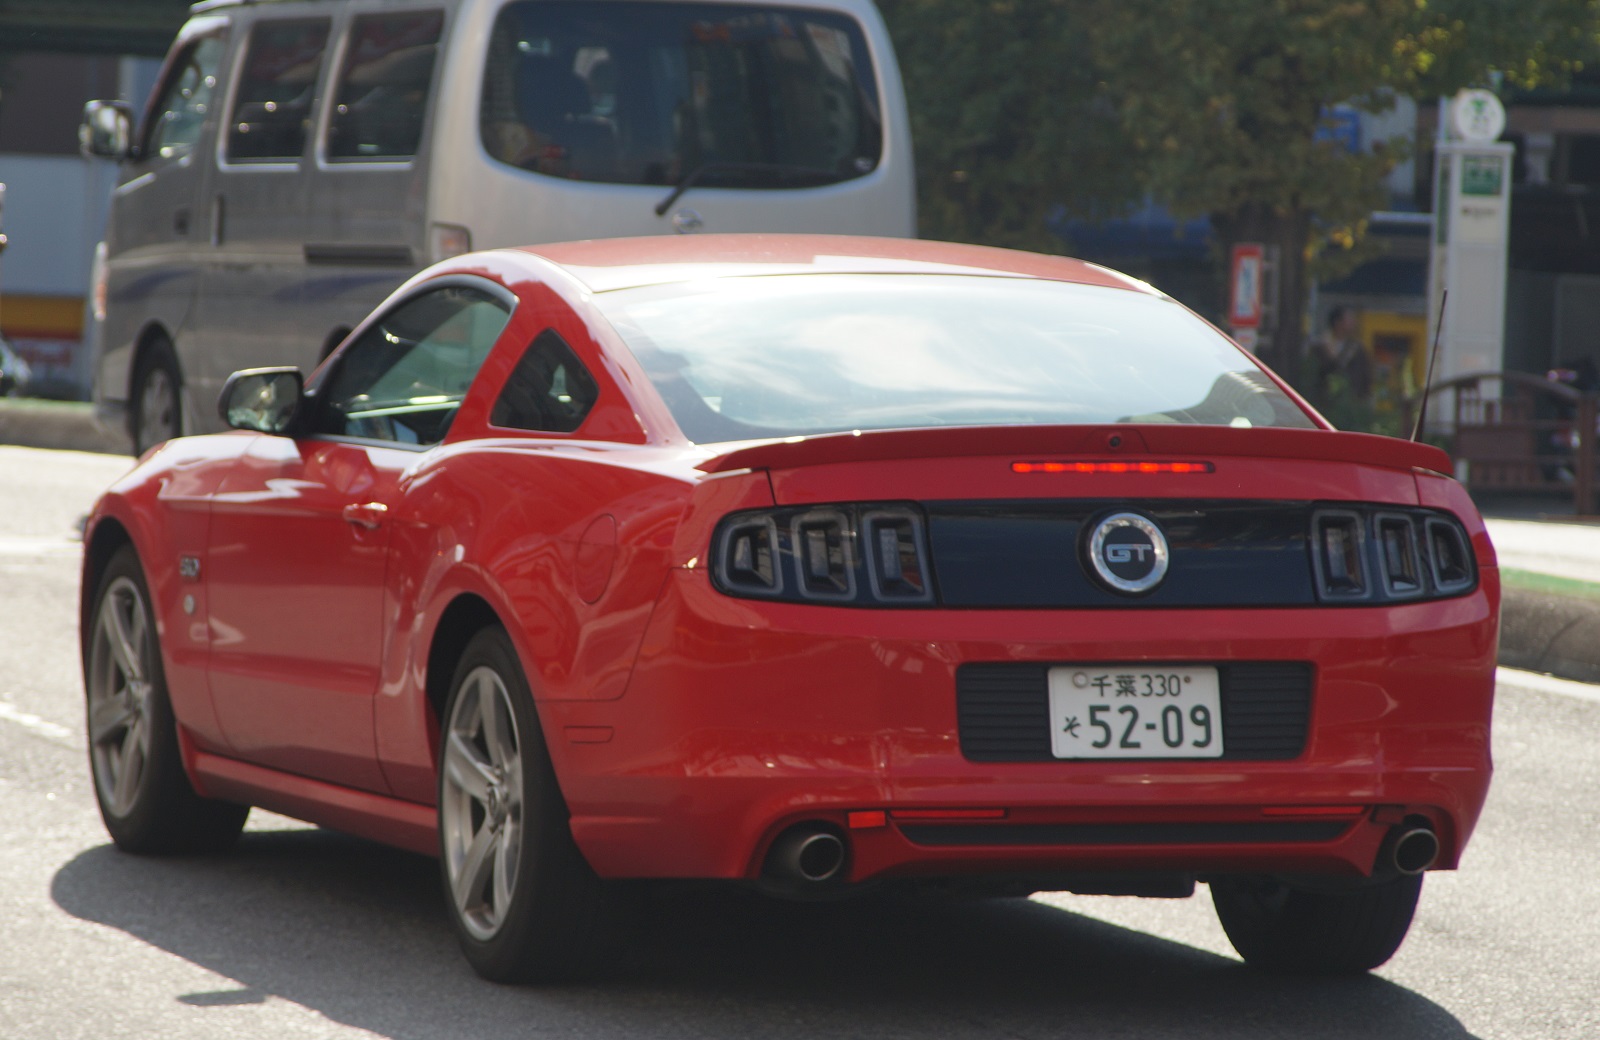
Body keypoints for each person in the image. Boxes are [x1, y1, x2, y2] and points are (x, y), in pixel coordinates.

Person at [1307, 305, 1373, 422]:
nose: (1353, 323)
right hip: (1323, 408)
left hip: (1351, 409)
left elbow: (1365, 377)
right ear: (1338, 322)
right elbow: (1311, 377)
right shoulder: (1319, 348)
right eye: (1349, 319)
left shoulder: (1357, 349)